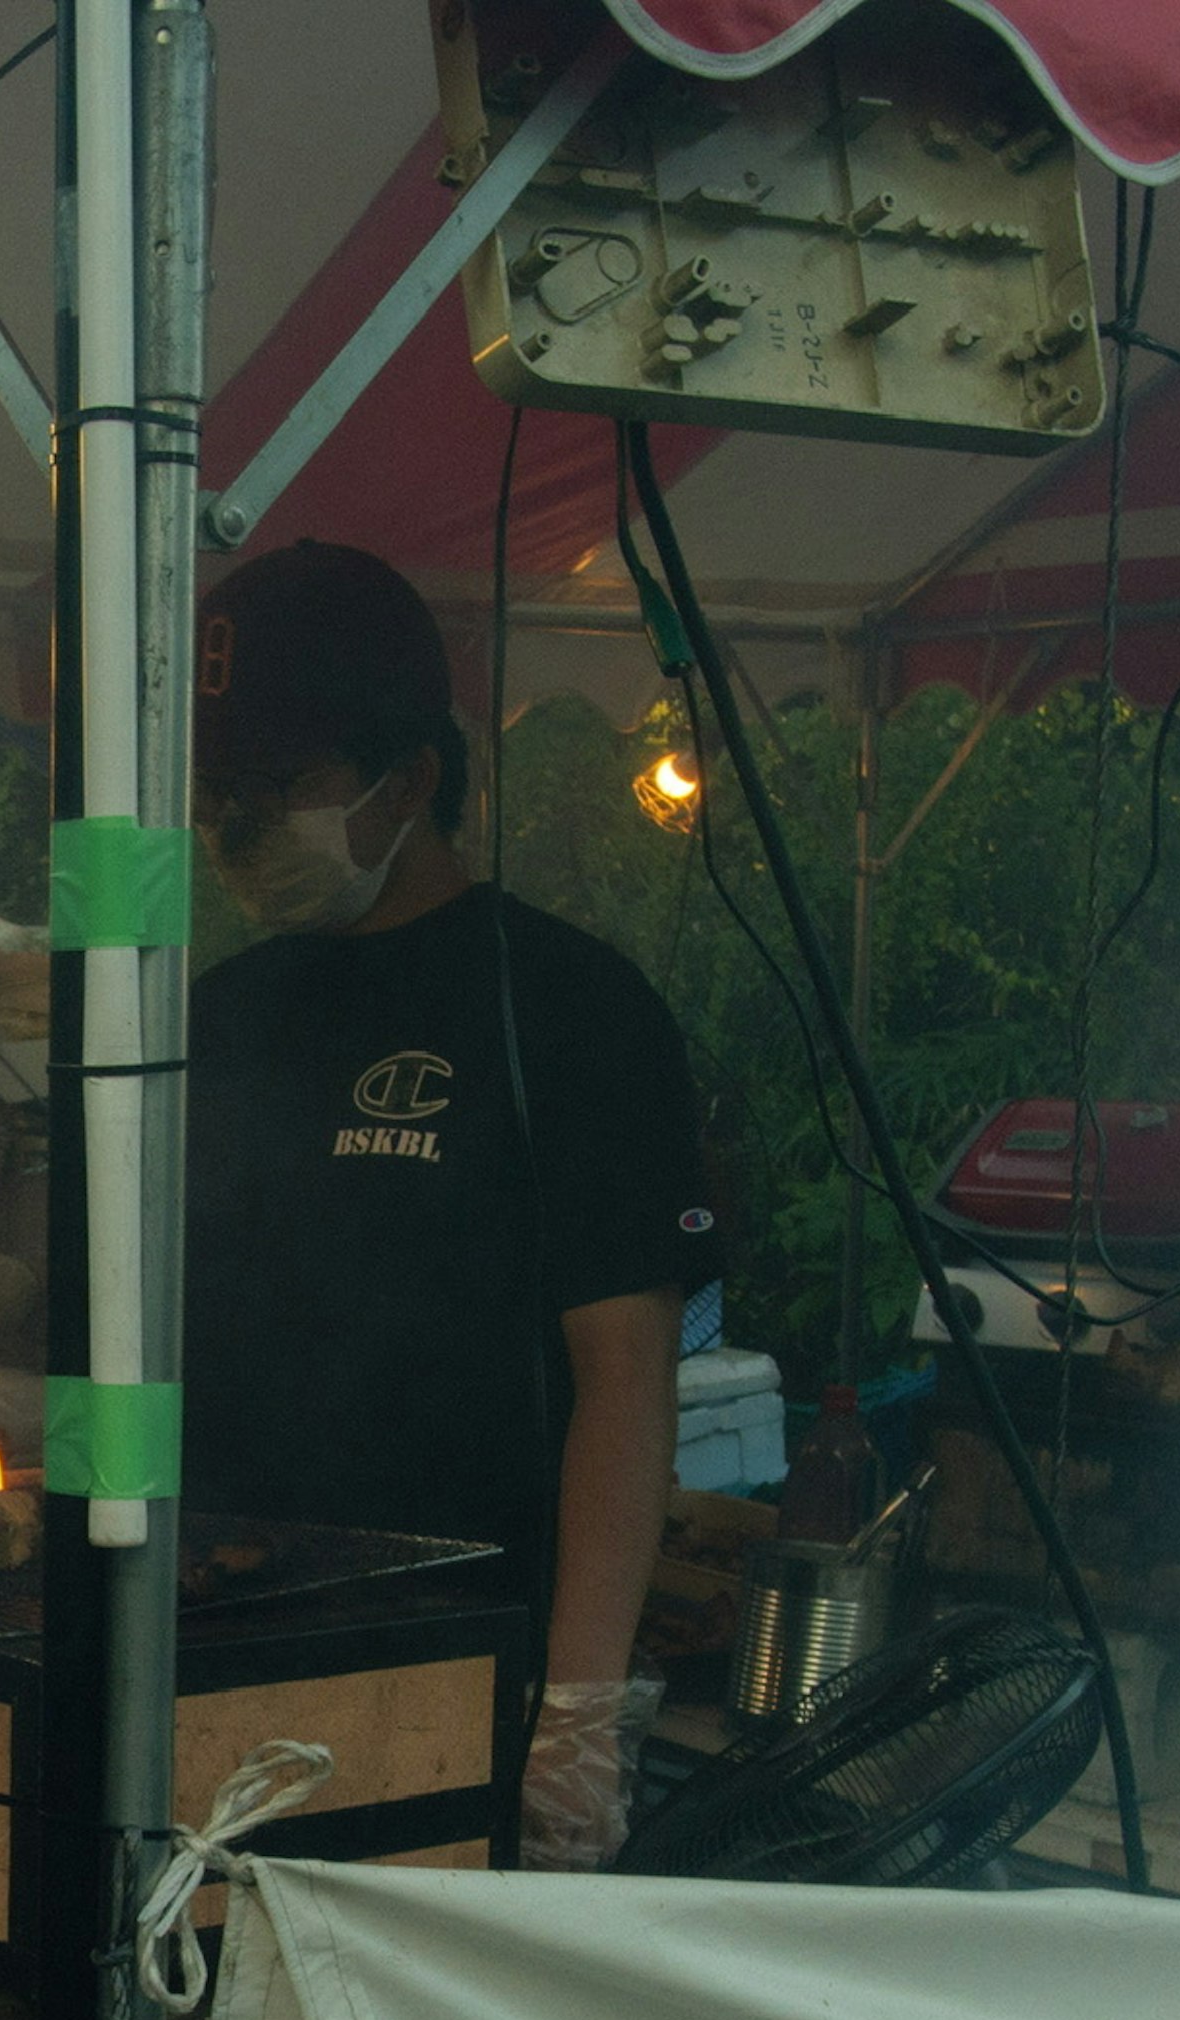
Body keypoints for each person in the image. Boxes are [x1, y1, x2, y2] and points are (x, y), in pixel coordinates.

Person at [179, 540, 713, 1870]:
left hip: (465, 1663)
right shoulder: (220, 1014)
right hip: (213, 1649)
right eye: (217, 788)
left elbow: (626, 1376)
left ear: (412, 778)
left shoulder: (573, 1013)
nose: (239, 824)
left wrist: (579, 1708)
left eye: (282, 784)